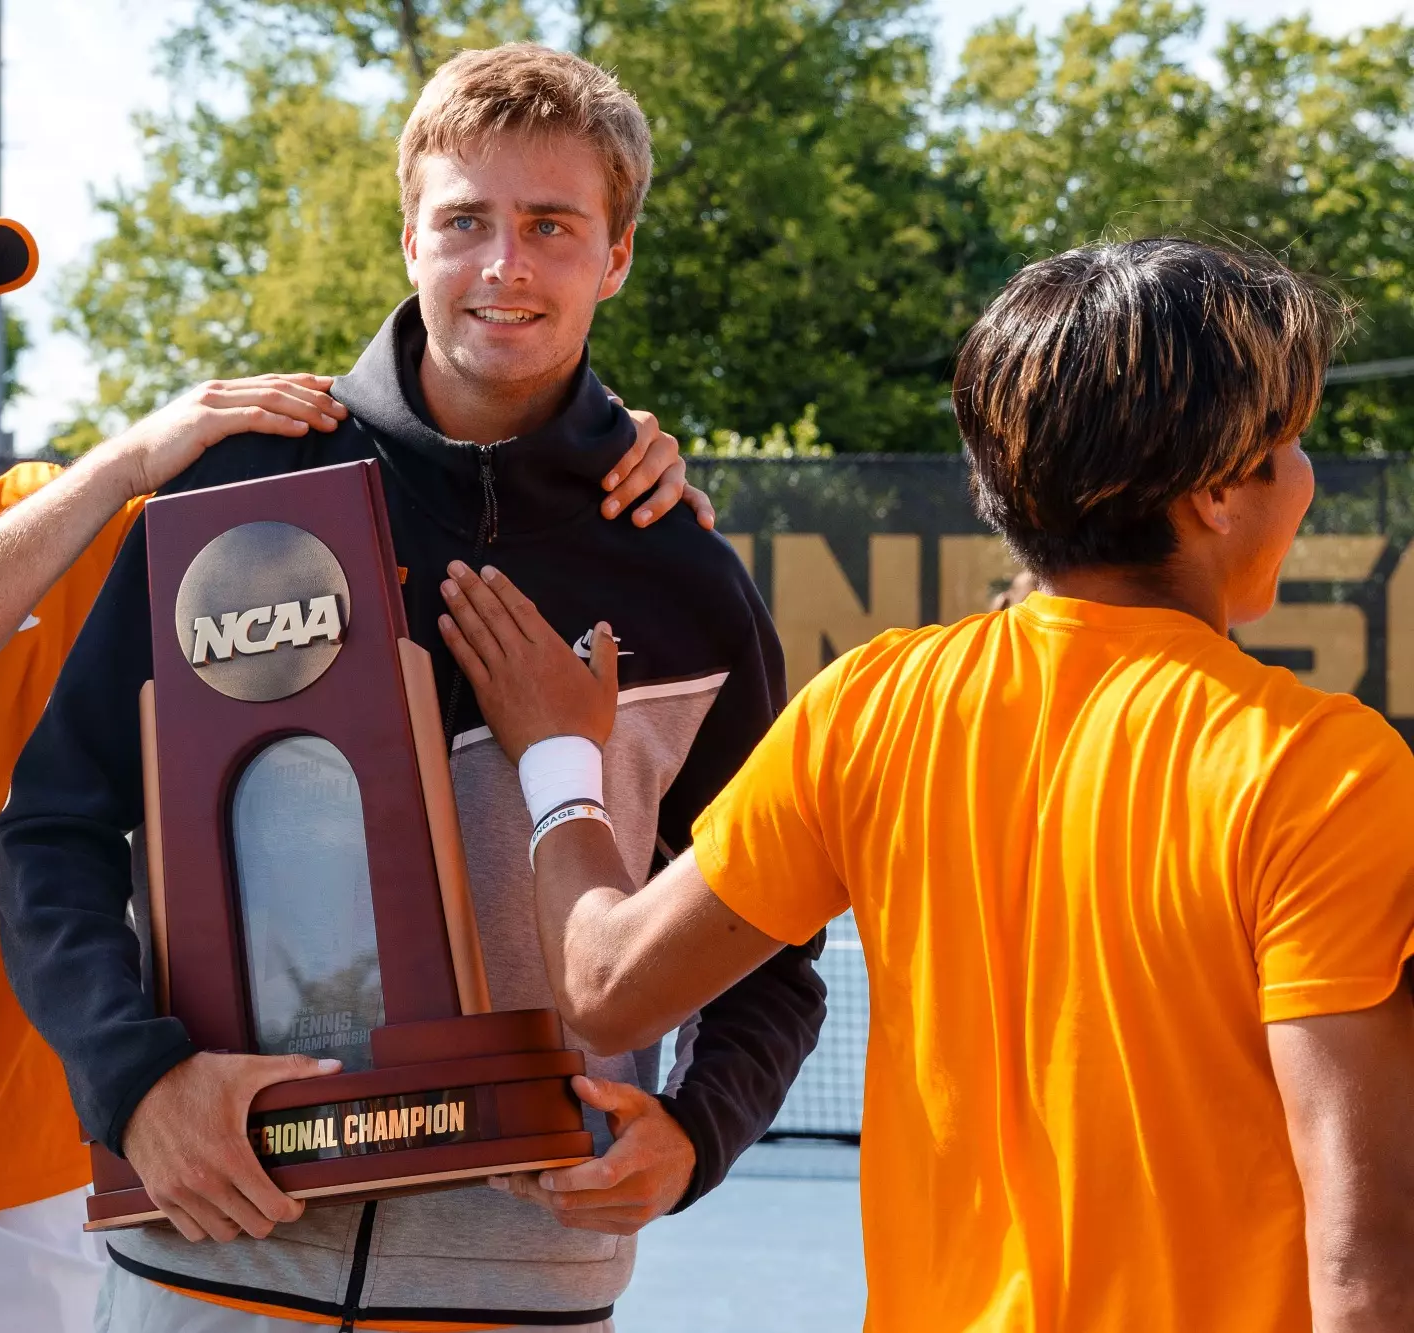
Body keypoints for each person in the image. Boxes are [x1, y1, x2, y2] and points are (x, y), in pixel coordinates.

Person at [0, 180, 698, 1333]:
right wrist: (118, 465)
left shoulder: (39, 527)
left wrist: (578, 440)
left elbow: (379, 483)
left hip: (31, 1194)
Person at [0, 45, 827, 1331]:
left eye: (552, 226)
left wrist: (693, 1130)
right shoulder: (239, 496)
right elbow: (52, 825)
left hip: (520, 1281)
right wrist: (133, 1083)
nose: (504, 266)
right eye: (465, 222)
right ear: (408, 238)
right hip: (223, 1249)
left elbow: (774, 939)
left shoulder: (680, 575)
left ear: (612, 258)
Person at [435, 239, 1414, 1331]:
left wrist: (556, 755)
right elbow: (1367, 1260)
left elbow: (605, 978)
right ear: (1218, 490)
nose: (1306, 477)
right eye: (1287, 445)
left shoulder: (868, 706)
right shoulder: (1322, 768)